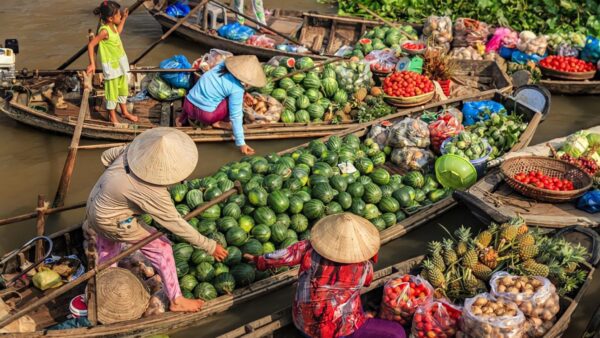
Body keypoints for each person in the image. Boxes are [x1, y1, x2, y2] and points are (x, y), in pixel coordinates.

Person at [85, 127, 228, 312]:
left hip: (94, 204)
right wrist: (209, 245)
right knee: (163, 248)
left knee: (109, 246)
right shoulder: (152, 193)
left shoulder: (129, 151)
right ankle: (176, 300)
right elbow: (175, 223)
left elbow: (106, 156)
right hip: (112, 221)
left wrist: (118, 187)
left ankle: (105, 285)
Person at [243, 213, 407, 338]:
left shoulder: (307, 247)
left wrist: (258, 260)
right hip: (337, 331)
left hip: (303, 323)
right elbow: (366, 283)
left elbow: (282, 256)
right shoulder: (364, 267)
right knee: (398, 332)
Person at [178, 55, 266, 155]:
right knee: (234, 102)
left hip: (188, 103)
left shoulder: (221, 66)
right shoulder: (237, 89)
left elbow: (221, 84)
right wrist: (242, 143)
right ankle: (220, 123)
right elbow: (236, 116)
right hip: (206, 115)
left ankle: (181, 120)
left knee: (201, 94)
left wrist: (244, 93)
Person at [86, 0, 138, 125]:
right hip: (112, 68)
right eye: (118, 15)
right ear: (110, 18)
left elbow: (118, 31)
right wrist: (92, 64)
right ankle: (113, 117)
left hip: (121, 65)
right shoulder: (104, 31)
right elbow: (91, 45)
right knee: (112, 93)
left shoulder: (112, 27)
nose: (120, 16)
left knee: (123, 89)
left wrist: (124, 18)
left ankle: (124, 112)